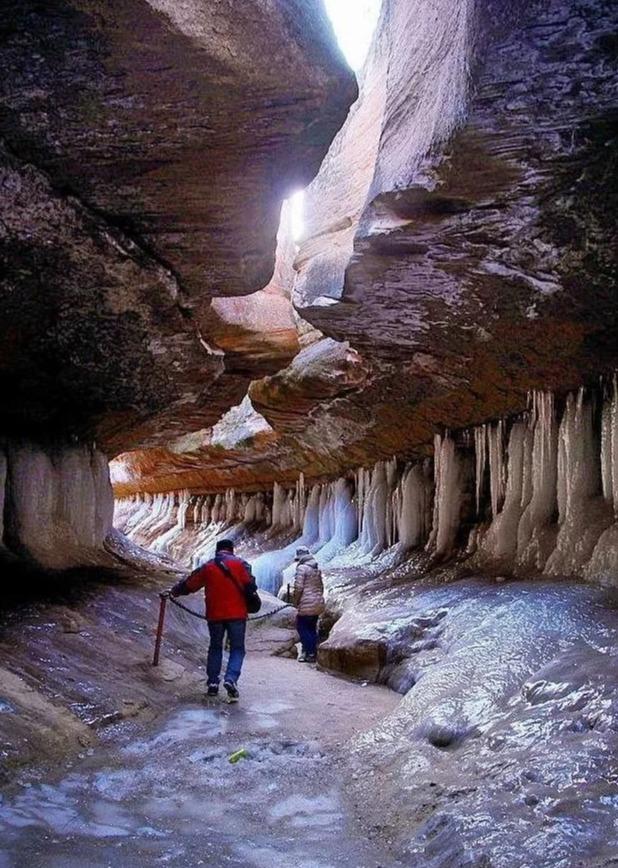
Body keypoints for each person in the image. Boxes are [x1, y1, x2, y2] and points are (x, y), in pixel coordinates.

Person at [170, 539, 255, 702]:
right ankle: (231, 679)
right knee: (237, 648)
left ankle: (213, 683)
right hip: (237, 614)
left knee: (215, 647)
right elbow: (250, 586)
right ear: (232, 550)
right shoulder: (240, 565)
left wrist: (175, 591)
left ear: (217, 550)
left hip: (215, 614)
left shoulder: (209, 566)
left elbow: (190, 584)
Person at [292, 545, 325, 663]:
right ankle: (311, 653)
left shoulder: (302, 568)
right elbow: (321, 586)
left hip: (306, 603)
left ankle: (309, 652)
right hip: (317, 603)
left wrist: (295, 601)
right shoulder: (316, 568)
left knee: (302, 627)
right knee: (311, 628)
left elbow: (299, 587)